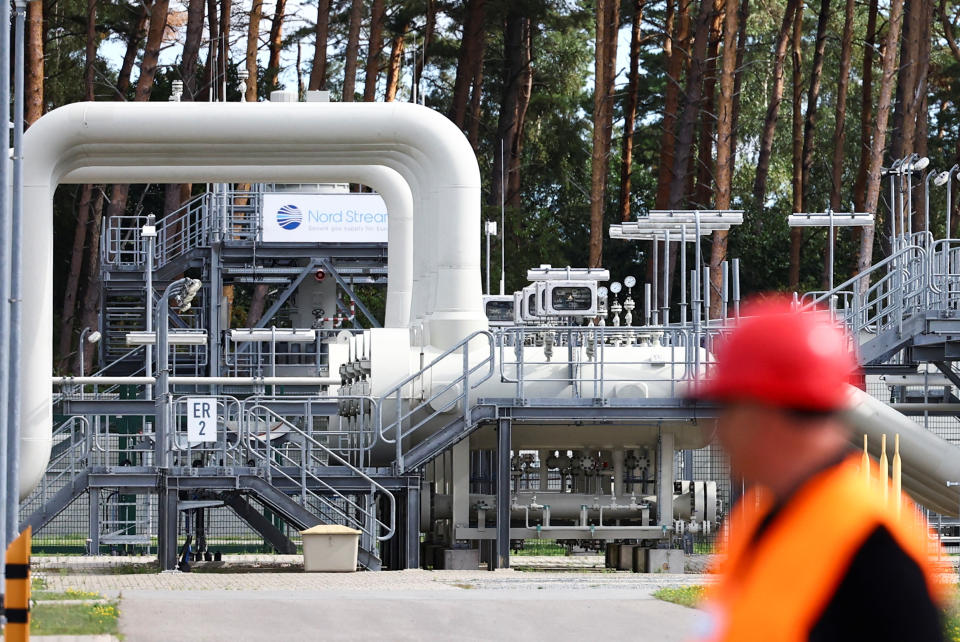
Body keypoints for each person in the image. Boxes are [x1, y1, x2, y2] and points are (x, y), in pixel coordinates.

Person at [691, 298, 946, 642]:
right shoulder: (763, 516)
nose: (719, 429)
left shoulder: (876, 547)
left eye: (725, 409)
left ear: (763, 414)